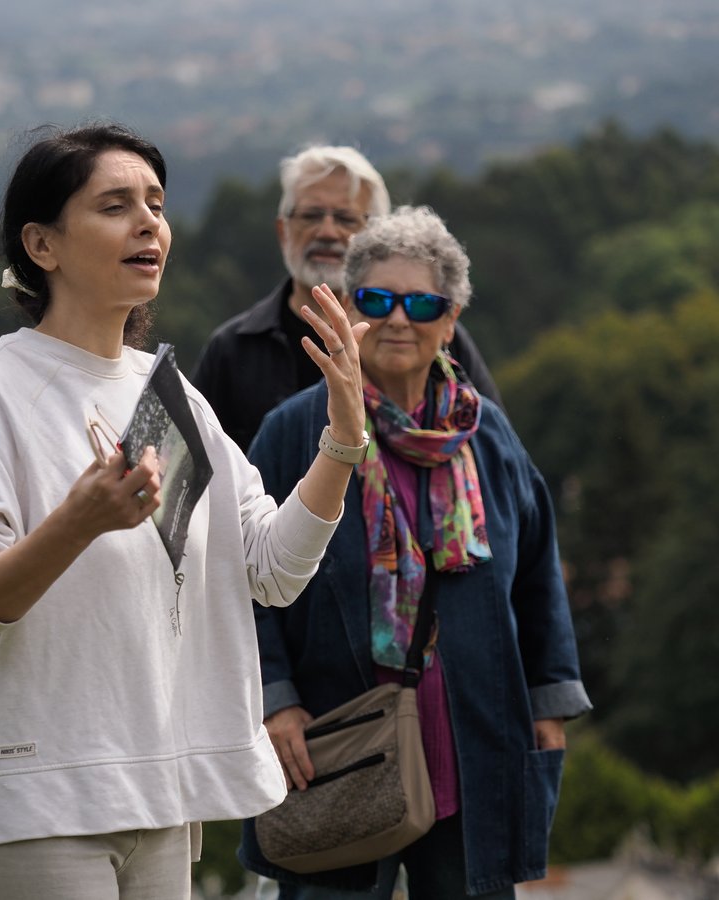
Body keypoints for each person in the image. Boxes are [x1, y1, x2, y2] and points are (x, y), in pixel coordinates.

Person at [0, 122, 372, 900]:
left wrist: (343, 436)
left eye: (156, 204)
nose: (149, 222)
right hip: (33, 793)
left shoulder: (164, 396)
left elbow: (271, 568)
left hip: (158, 784)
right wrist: (78, 522)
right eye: (115, 205)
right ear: (42, 245)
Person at [239, 206, 592, 899]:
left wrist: (548, 709)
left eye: (423, 303)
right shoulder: (294, 432)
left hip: (471, 751)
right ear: (346, 309)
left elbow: (538, 576)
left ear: (451, 319)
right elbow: (242, 577)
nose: (400, 320)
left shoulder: (489, 437)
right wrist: (273, 702)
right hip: (335, 752)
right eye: (376, 300)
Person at [192, 145, 501, 453]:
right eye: (311, 216)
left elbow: (491, 446)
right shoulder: (233, 350)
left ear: (379, 237)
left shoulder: (432, 336)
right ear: (283, 230)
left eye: (346, 218)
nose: (327, 232)